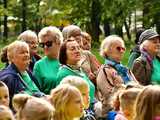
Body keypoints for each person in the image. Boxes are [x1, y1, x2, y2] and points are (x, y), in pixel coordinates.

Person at [97, 35, 137, 118]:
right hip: (113, 111)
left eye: (123, 48)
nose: (122, 51)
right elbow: (109, 96)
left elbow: (137, 86)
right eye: (118, 48)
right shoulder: (105, 70)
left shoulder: (125, 70)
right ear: (107, 50)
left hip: (132, 108)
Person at [0, 41, 42, 108]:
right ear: (12, 58)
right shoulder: (9, 77)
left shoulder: (28, 72)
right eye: (22, 52)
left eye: (27, 52)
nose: (26, 55)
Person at [56, 38, 95, 107]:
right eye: (72, 49)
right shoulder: (64, 74)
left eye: (78, 48)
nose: (77, 51)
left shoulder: (79, 70)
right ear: (64, 54)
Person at [33, 26, 63, 94]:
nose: (45, 47)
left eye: (48, 44)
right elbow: (36, 92)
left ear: (58, 42)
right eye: (42, 45)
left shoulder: (68, 60)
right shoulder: (39, 65)